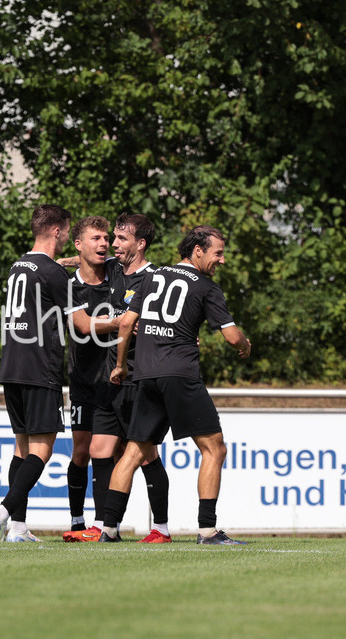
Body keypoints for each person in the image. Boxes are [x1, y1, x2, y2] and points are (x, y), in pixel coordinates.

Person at [104, 225, 251, 545]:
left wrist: (119, 364)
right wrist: (245, 345)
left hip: (144, 375)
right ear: (197, 250)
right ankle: (208, 531)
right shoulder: (207, 287)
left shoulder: (153, 277)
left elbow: (127, 322)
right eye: (218, 253)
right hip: (180, 376)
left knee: (132, 454)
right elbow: (230, 335)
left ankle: (109, 530)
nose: (222, 260)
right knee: (214, 449)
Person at [0, 204, 108, 543]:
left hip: (11, 366)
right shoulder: (54, 274)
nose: (69, 236)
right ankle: (1, 514)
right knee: (42, 449)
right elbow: (82, 324)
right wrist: (126, 322)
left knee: (21, 449)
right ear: (57, 231)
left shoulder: (17, 266)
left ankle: (18, 529)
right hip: (40, 368)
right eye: (68, 230)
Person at [63, 213, 172, 543]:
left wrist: (184, 334)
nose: (112, 244)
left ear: (139, 244)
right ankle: (102, 526)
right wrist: (57, 262)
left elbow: (175, 313)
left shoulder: (155, 278)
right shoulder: (113, 269)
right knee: (99, 447)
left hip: (142, 377)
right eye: (112, 238)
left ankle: (161, 528)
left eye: (120, 239)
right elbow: (85, 257)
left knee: (146, 453)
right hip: (111, 381)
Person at [61, 216, 113, 535]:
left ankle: (103, 522)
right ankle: (77, 519)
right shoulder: (69, 285)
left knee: (106, 453)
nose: (103, 243)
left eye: (106, 238)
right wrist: (120, 322)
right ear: (79, 244)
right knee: (81, 452)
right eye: (95, 238)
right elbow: (83, 325)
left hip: (114, 380)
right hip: (83, 380)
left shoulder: (119, 277)